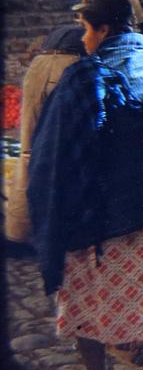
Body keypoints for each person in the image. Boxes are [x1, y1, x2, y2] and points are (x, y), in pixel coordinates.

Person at [27, 0, 143, 370]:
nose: (85, 39)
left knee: (86, 307)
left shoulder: (83, 78)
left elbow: (54, 153)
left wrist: (51, 208)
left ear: (104, 30)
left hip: (97, 223)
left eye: (88, 30)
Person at [5, 26, 86, 255]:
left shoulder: (56, 38)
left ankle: (18, 230)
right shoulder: (82, 36)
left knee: (27, 151)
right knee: (63, 154)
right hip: (67, 66)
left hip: (38, 68)